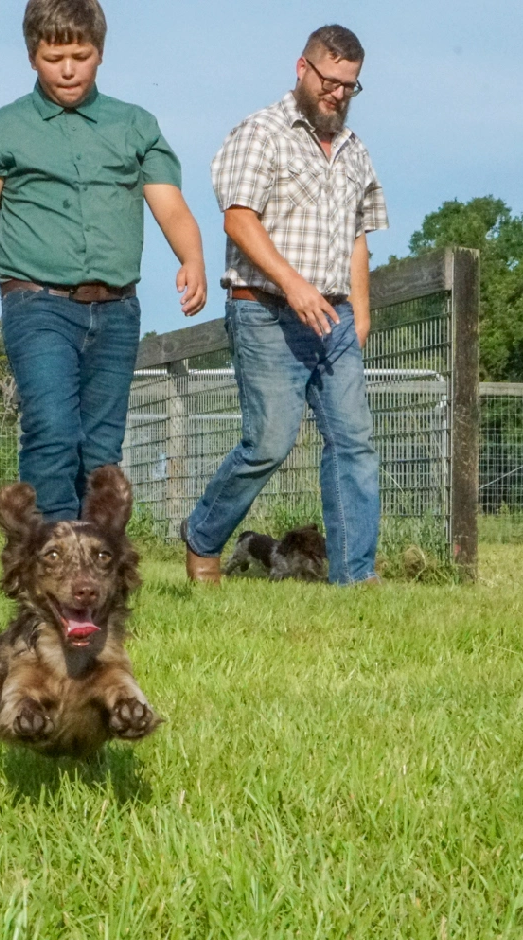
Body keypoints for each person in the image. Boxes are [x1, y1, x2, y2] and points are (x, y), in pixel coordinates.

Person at [0, 0, 206, 521]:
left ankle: (93, 564)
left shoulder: (135, 125)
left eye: (80, 55)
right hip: (38, 305)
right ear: (31, 56)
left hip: (116, 311)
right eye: (53, 57)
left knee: (101, 451)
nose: (67, 69)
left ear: (100, 54)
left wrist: (192, 256)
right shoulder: (3, 131)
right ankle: (51, 557)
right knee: (51, 431)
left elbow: (170, 204)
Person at [182, 25, 387, 586]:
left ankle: (355, 575)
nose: (338, 94)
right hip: (267, 310)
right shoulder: (260, 134)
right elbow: (238, 219)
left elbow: (359, 238)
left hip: (336, 318)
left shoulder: (354, 151)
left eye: (350, 86)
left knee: (354, 442)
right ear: (303, 68)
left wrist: (360, 313)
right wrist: (295, 284)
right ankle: (203, 534)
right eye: (329, 80)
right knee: (268, 443)